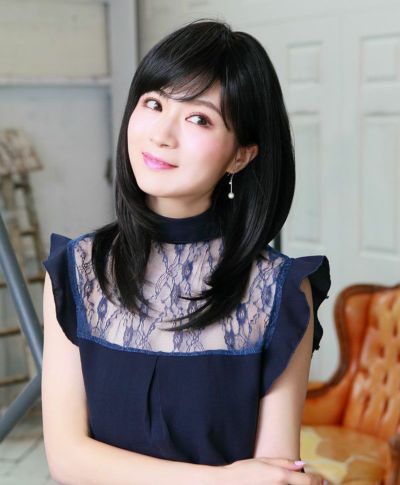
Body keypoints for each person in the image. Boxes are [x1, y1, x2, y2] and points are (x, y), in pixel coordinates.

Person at [41, 18, 331, 485]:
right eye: (154, 103)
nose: (162, 134)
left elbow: (272, 474)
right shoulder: (78, 269)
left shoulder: (280, 291)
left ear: (241, 154)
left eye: (199, 118)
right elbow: (67, 459)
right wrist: (223, 480)